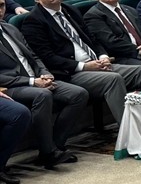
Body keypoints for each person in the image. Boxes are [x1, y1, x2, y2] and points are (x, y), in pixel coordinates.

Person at [21, 0, 141, 124]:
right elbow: (48, 58)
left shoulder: (70, 10)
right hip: (72, 72)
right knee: (113, 79)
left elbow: (92, 40)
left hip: (97, 64)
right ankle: (130, 133)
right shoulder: (33, 21)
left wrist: (103, 56)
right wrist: (85, 66)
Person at [0, 18, 87, 168]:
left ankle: (55, 145)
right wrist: (32, 82)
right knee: (43, 95)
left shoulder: (10, 28)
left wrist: (45, 73)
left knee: (78, 94)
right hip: (11, 86)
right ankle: (48, 152)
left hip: (36, 78)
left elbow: (33, 56)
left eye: (1, 5)